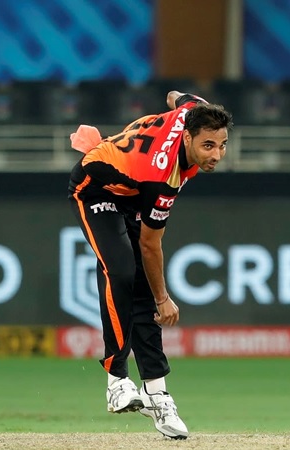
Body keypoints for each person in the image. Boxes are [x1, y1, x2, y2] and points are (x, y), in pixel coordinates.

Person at [67, 90, 233, 440]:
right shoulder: (166, 176)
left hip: (131, 190)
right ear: (188, 137)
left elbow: (178, 97)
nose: (216, 155)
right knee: (123, 271)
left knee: (139, 286)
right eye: (208, 146)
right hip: (95, 187)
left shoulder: (196, 112)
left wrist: (174, 102)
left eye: (221, 145)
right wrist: (163, 299)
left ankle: (157, 394)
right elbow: (150, 244)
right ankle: (116, 381)